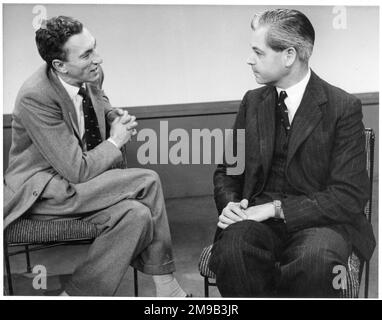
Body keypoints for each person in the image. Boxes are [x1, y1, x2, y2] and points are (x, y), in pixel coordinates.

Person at [3, 16, 188, 297]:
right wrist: (116, 140)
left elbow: (100, 100)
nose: (98, 59)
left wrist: (114, 116)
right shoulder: (35, 96)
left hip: (81, 185)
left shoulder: (90, 74)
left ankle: (75, 295)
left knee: (136, 215)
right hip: (43, 192)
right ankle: (167, 288)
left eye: (95, 48)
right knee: (147, 180)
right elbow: (76, 170)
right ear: (59, 66)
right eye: (87, 54)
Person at [209, 8, 375, 297]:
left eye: (258, 53)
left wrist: (275, 209)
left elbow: (349, 195)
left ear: (289, 56)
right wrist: (231, 205)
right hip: (255, 221)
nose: (249, 59)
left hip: (320, 223)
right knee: (232, 249)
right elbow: (228, 171)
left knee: (316, 262)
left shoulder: (342, 107)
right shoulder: (252, 102)